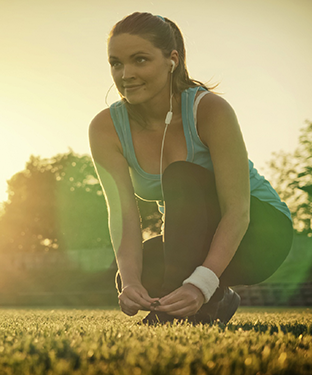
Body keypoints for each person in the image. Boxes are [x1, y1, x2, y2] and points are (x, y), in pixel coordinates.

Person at [88, 12, 293, 324]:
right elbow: (123, 215)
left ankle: (177, 313)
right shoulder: (106, 128)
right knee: (138, 272)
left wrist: (201, 283)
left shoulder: (209, 110)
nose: (125, 73)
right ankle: (219, 300)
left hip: (259, 232)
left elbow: (237, 211)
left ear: (172, 60)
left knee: (181, 175)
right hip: (192, 240)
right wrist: (130, 282)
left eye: (140, 60)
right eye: (116, 63)